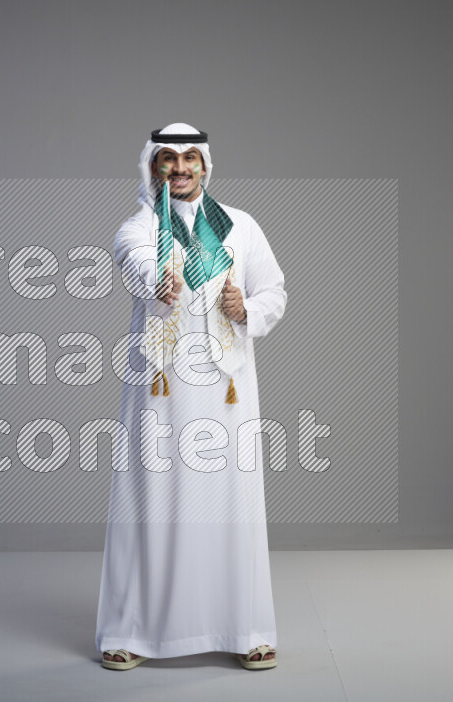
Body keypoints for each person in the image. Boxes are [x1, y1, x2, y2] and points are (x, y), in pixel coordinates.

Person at [95, 123, 288, 671]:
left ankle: (246, 627)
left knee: (233, 500)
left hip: (226, 388)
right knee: (149, 498)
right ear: (152, 167)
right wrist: (159, 283)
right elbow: (134, 265)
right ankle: (129, 630)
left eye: (189, 158)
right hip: (163, 387)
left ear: (205, 164)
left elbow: (273, 289)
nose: (180, 169)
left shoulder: (241, 227)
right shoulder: (140, 226)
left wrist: (245, 309)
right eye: (168, 160)